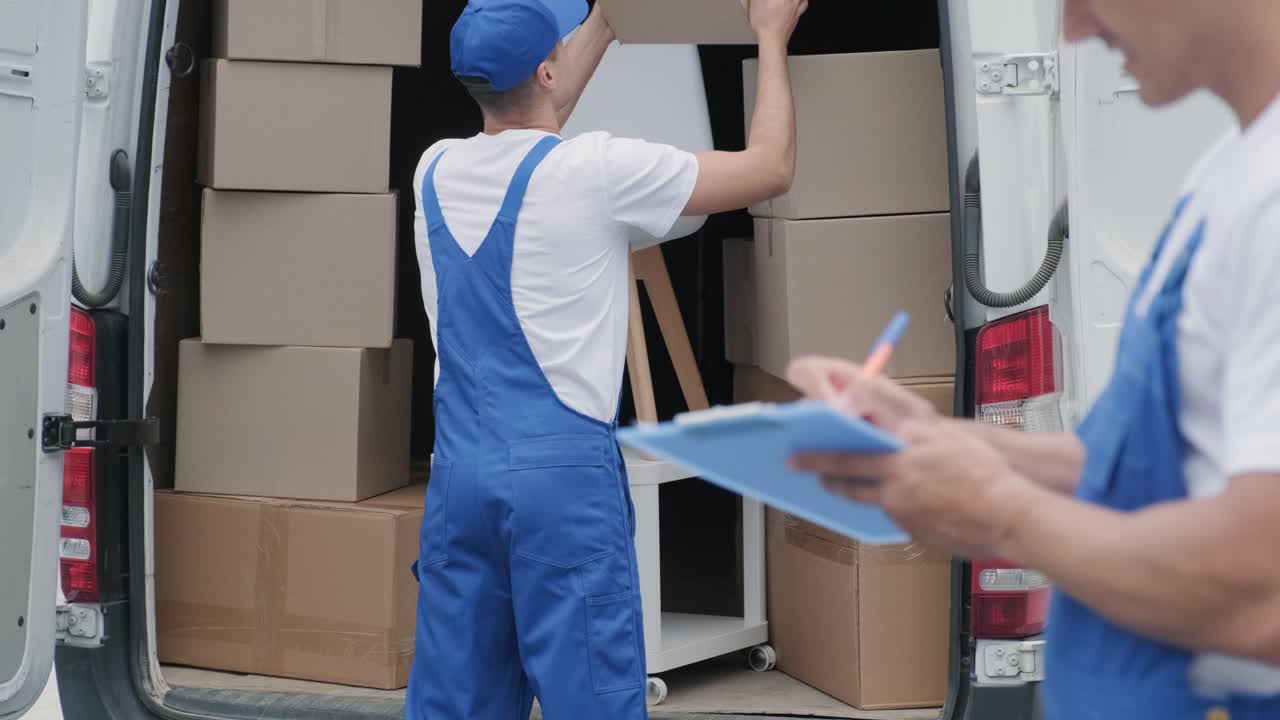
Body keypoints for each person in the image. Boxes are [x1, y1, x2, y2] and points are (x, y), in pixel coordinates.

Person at [786, 0, 1280, 718]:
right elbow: (1136, 467)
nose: (1073, 29)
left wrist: (999, 514)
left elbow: (1261, 593)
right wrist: (929, 438)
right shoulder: (1232, 167)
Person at [406, 0, 808, 718]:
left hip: (459, 480)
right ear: (546, 71)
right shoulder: (596, 171)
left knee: (458, 702)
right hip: (560, 487)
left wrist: (608, 20)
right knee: (590, 697)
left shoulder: (433, 170)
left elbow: (536, 113)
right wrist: (771, 38)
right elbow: (770, 168)